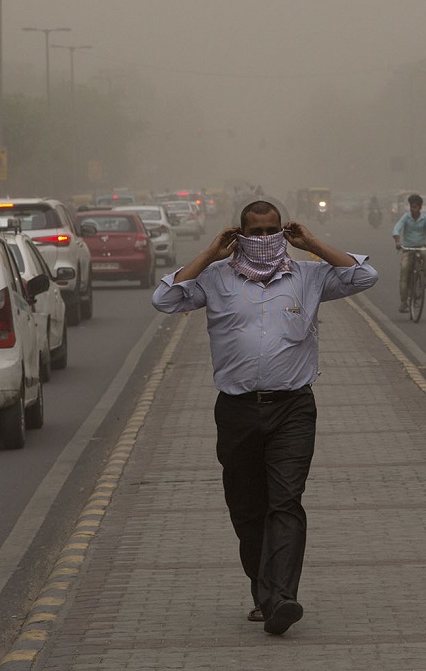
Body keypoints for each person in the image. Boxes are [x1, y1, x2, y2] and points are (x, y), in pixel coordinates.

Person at [151, 198, 377, 636]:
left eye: (271, 231)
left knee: (286, 502)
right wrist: (209, 253)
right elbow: (164, 298)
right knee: (247, 509)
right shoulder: (215, 279)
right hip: (236, 411)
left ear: (283, 231)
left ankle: (282, 598)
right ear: (239, 235)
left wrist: (310, 243)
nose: (262, 240)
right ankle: (264, 591)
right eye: (253, 233)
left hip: (293, 408)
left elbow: (364, 274)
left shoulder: (309, 277)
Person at [391, 193, 426, 312]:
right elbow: (397, 228)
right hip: (407, 248)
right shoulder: (406, 217)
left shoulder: (425, 218)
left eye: (415, 207)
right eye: (411, 206)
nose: (413, 209)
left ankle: (424, 277)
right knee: (404, 272)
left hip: (421, 247)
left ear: (420, 208)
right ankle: (403, 302)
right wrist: (397, 241)